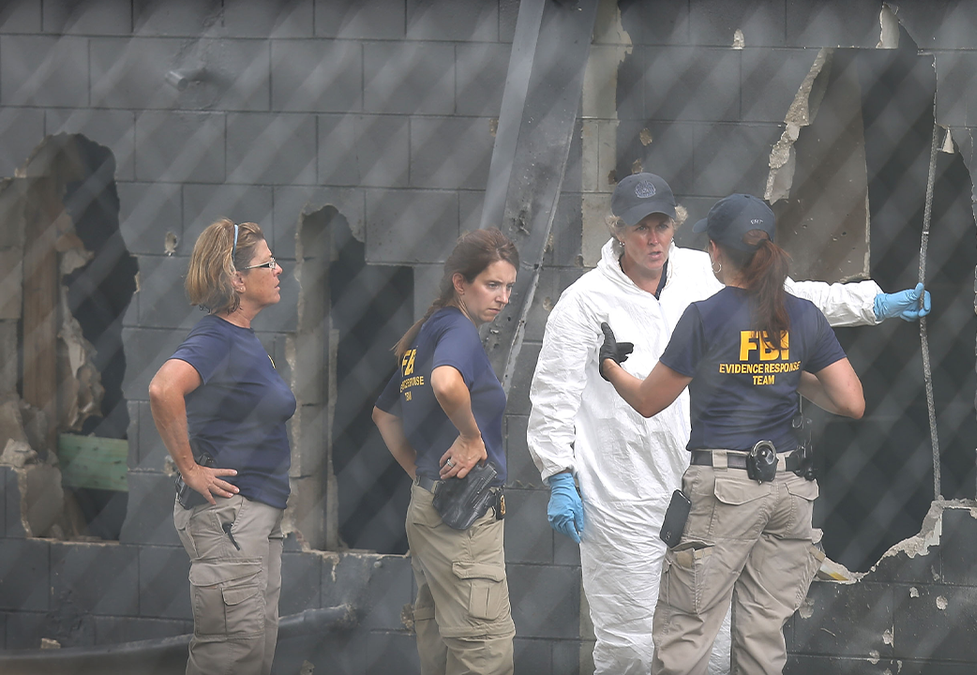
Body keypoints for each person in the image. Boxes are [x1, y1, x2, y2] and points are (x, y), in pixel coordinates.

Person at [526, 173, 928, 674]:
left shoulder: (705, 274)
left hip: (708, 487)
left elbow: (793, 298)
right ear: (618, 231)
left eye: (662, 226)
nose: (653, 239)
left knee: (708, 639)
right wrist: (558, 473)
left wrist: (872, 304)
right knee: (631, 641)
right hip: (623, 493)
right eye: (640, 228)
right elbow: (554, 395)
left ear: (678, 227)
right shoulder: (584, 301)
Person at [600, 193, 866, 674]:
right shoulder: (802, 314)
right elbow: (851, 401)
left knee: (687, 631)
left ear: (716, 251)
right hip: (790, 491)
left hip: (726, 493)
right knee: (762, 636)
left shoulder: (707, 315)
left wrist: (610, 367)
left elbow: (648, 400)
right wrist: (785, 372)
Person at [149, 219, 294, 675]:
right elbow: (162, 389)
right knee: (229, 657)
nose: (279, 269)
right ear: (237, 279)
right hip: (231, 517)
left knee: (252, 652)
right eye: (268, 263)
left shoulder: (241, 337)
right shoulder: (215, 338)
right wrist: (189, 468)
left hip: (255, 515)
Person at [372, 228, 519, 675]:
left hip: (431, 507)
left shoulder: (427, 332)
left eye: (509, 287)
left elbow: (384, 415)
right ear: (460, 282)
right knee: (484, 652)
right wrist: (471, 437)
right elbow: (445, 383)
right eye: (492, 284)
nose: (503, 297)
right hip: (464, 521)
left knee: (442, 650)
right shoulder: (457, 329)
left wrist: (423, 475)